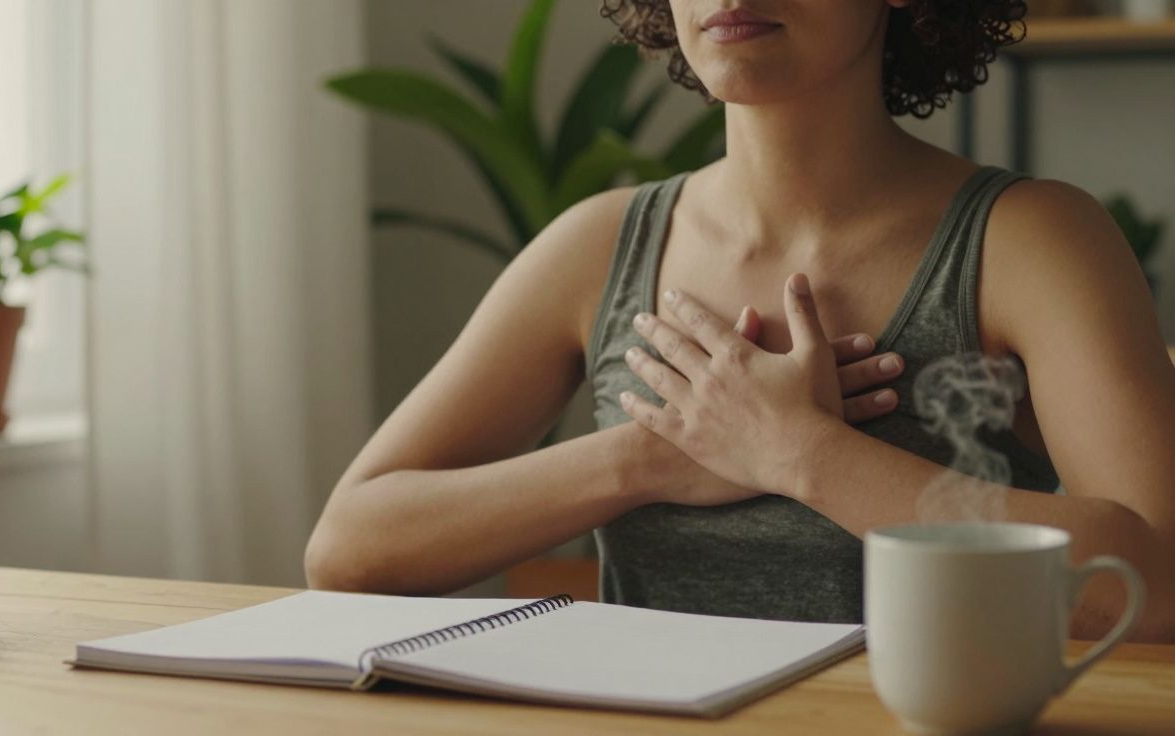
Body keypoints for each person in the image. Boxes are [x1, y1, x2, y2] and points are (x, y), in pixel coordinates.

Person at [307, 0, 1175, 642]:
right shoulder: (597, 246)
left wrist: (802, 454)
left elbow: (1160, 581)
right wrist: (648, 458)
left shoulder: (1032, 241)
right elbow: (350, 549)